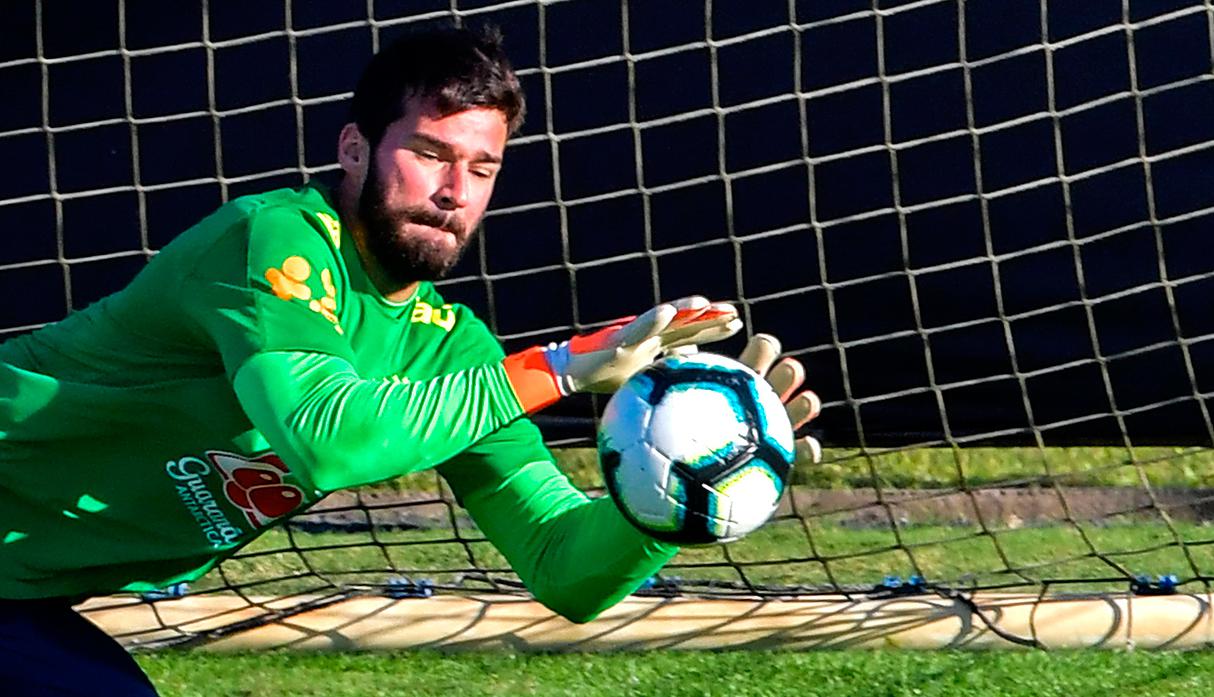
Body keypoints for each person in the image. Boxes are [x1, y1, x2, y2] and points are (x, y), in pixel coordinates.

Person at [0, 26, 821, 695]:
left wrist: (680, 493)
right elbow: (327, 438)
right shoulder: (275, 239)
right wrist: (563, 367)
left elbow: (564, 565)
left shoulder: (449, 349)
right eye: (430, 152)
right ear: (354, 148)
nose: (454, 190)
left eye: (483, 167)